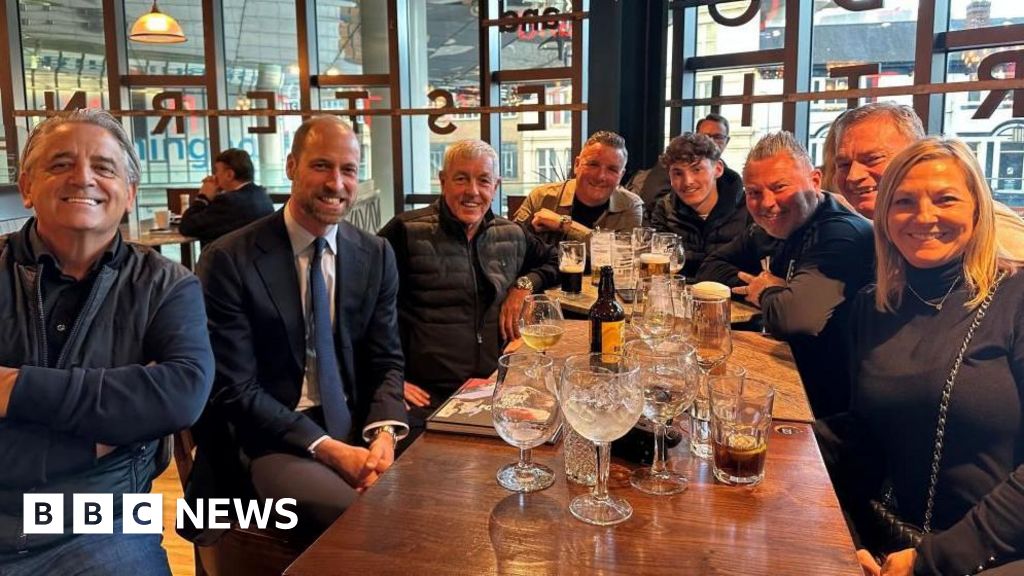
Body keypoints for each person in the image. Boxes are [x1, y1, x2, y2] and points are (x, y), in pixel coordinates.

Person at [0, 109, 214, 574]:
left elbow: (180, 395)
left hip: (104, 521)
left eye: (103, 167)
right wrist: (98, 440)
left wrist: (14, 388)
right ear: (27, 187)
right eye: (60, 164)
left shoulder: (167, 286)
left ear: (130, 193)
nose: (83, 178)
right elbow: (150, 403)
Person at [190, 116, 406, 543]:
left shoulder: (375, 255)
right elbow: (234, 389)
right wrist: (331, 450)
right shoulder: (230, 260)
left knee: (443, 502)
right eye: (322, 166)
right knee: (366, 525)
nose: (337, 183)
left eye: (348, 170)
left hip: (356, 425)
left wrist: (383, 432)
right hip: (270, 439)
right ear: (291, 167)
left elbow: (387, 360)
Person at [819, 138, 1024, 576]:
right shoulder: (872, 307)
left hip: (997, 554)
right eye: (904, 202)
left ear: (977, 208)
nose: (924, 217)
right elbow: (865, 438)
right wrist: (845, 536)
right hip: (893, 543)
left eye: (945, 199)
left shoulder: (1016, 298)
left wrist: (932, 561)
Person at [379, 139, 558, 440]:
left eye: (483, 180)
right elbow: (359, 309)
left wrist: (523, 286)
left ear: (496, 185)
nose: (472, 191)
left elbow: (557, 260)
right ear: (443, 181)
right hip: (423, 395)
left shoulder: (512, 234)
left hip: (493, 389)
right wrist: (387, 380)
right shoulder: (406, 231)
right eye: (461, 178)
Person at [697, 131, 874, 417]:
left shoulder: (840, 232)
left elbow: (796, 318)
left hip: (832, 408)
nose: (766, 203)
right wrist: (762, 286)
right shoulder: (767, 228)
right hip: (785, 375)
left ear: (815, 181)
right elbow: (711, 267)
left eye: (780, 187)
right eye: (754, 193)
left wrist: (766, 293)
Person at [832, 101, 1024, 258]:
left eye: (873, 159)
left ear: (917, 152)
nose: (853, 176)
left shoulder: (995, 231)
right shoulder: (880, 227)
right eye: (844, 165)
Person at [647, 132, 750, 277]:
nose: (688, 181)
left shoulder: (748, 208)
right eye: (678, 173)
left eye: (697, 170)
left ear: (718, 169)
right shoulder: (664, 209)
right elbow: (659, 269)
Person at [512, 131, 641, 244]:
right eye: (593, 165)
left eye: (612, 169)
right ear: (576, 165)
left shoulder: (630, 205)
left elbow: (621, 255)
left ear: (621, 175)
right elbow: (513, 244)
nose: (601, 176)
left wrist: (564, 225)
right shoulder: (541, 197)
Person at [634, 113, 743, 219]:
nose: (711, 141)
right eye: (705, 136)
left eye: (718, 137)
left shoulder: (734, 190)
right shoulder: (672, 162)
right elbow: (652, 200)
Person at [178, 148, 274, 245]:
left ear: (229, 175)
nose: (215, 176)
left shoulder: (228, 202)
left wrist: (203, 197)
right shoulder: (262, 195)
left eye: (217, 171)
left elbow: (187, 227)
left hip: (227, 259)